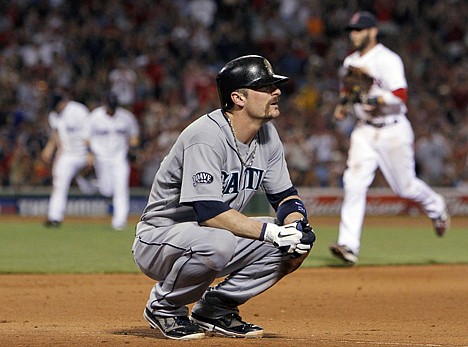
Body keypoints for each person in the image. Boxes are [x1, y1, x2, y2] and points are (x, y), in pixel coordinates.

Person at [132, 55, 316, 340]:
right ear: (238, 98)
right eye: (266, 87)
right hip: (160, 238)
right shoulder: (206, 135)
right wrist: (272, 232)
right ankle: (165, 307)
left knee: (293, 244)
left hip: (210, 237)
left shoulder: (267, 135)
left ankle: (216, 308)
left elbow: (285, 197)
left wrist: (295, 225)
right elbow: (209, 213)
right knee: (222, 240)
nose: (276, 91)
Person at [329, 11, 450, 265]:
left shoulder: (387, 59)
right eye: (352, 30)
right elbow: (348, 90)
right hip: (364, 130)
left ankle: (436, 206)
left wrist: (371, 98)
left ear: (373, 31)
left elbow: (400, 96)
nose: (355, 34)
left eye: (360, 30)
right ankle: (348, 245)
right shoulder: (350, 61)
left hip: (392, 129)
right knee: (354, 183)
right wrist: (343, 105)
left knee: (404, 188)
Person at [88, 92, 140, 230]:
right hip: (100, 158)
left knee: (121, 188)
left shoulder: (126, 117)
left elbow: (134, 136)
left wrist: (133, 150)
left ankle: (119, 221)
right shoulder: (95, 117)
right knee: (106, 189)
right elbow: (86, 137)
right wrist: (89, 154)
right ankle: (89, 184)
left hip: (119, 157)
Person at [42, 92, 91, 227]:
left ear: (63, 102)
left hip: (83, 153)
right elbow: (56, 134)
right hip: (67, 156)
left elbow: (90, 132)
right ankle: (54, 217)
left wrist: (90, 154)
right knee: (59, 184)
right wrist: (50, 149)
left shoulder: (79, 110)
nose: (55, 109)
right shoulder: (54, 115)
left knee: (103, 187)